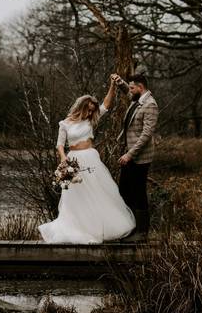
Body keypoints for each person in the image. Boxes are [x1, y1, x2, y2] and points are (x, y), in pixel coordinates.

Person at [38, 76, 135, 244]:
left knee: (98, 192)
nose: (90, 113)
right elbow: (59, 145)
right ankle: (79, 228)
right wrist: (63, 159)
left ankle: (100, 227)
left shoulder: (91, 120)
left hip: (91, 158)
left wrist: (112, 85)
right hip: (73, 161)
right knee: (76, 197)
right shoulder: (65, 124)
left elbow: (106, 104)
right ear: (81, 107)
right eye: (88, 109)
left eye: (92, 110)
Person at [110, 73, 158, 240]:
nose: (130, 91)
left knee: (138, 193)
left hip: (139, 157)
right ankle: (129, 228)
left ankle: (142, 233)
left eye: (132, 88)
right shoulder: (138, 99)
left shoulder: (150, 105)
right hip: (129, 155)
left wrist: (129, 155)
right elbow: (128, 93)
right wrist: (120, 83)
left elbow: (146, 135)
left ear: (141, 87)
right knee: (125, 191)